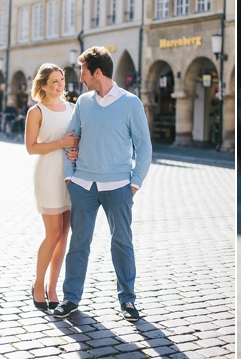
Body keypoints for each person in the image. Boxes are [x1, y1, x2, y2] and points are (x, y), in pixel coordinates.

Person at [53, 46, 152, 322]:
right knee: (79, 243)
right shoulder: (84, 102)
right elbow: (70, 139)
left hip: (119, 187)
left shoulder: (131, 103)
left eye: (83, 72)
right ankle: (71, 298)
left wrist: (134, 184)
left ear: (97, 72)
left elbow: (144, 147)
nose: (81, 78)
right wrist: (69, 176)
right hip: (82, 185)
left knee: (122, 242)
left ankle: (128, 300)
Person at [24, 64, 80, 311]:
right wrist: (62, 143)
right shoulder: (36, 112)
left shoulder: (73, 108)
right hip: (48, 173)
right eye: (55, 81)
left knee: (64, 234)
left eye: (62, 80)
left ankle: (53, 287)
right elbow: (31, 147)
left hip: (71, 174)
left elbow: (79, 138)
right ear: (43, 85)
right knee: (53, 233)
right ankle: (38, 285)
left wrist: (76, 148)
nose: (60, 85)